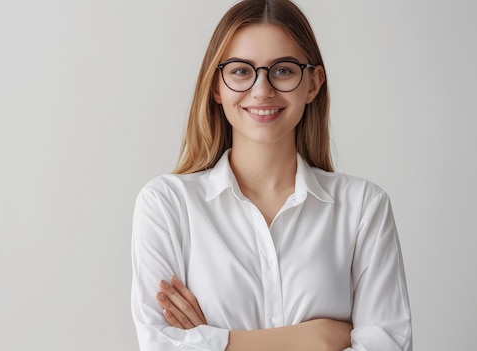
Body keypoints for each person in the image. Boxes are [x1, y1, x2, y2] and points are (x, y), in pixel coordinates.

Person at [130, 0, 412, 350]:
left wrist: (215, 341)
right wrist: (319, 337)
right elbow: (161, 346)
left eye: (283, 70)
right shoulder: (167, 205)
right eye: (240, 71)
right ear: (216, 86)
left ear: (313, 83)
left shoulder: (364, 208)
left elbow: (388, 345)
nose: (262, 90)